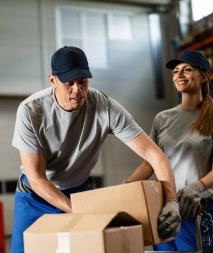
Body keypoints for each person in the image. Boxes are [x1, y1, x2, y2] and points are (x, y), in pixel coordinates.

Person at [10, 46, 181, 253]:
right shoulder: (31, 111)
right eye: (69, 83)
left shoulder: (105, 107)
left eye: (82, 82)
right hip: (35, 197)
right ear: (52, 80)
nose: (77, 90)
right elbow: (37, 179)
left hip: (80, 192)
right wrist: (79, 212)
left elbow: (155, 155)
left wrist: (172, 201)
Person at [126, 49, 213, 252]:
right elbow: (148, 163)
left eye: (187, 69)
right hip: (164, 211)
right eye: (176, 71)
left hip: (195, 209)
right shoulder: (162, 118)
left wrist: (197, 187)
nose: (179, 74)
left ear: (203, 77)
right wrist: (125, 189)